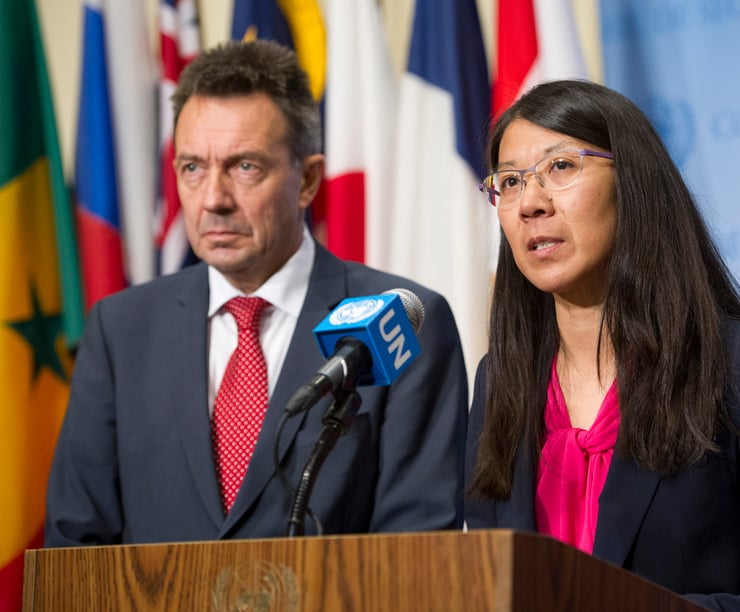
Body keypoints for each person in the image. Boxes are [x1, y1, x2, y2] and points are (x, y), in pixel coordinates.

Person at [464, 79, 740, 611]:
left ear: (633, 182)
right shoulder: (499, 381)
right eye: (510, 181)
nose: (530, 203)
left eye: (560, 167)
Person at [45, 40, 468, 545]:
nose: (213, 200)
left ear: (307, 179)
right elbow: (75, 543)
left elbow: (415, 552)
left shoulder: (401, 321)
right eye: (193, 168)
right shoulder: (121, 329)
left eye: (244, 166)